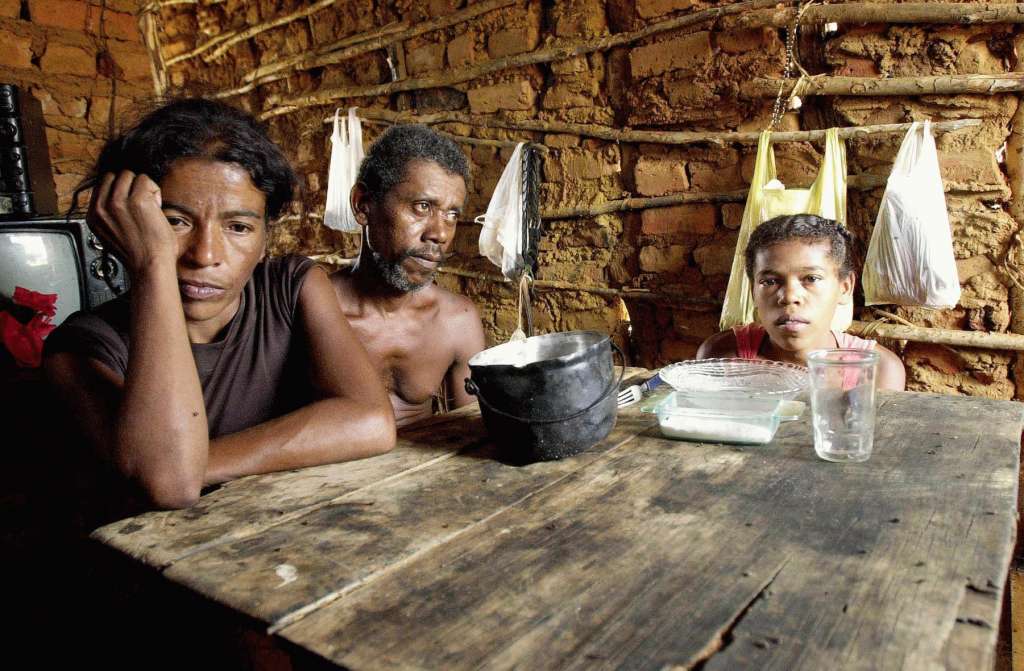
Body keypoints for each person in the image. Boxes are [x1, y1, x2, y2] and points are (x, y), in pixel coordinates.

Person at [43, 98, 396, 510]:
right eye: (174, 221)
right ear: (127, 223)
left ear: (266, 236)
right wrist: (152, 265)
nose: (205, 254)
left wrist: (196, 464)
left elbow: (371, 421)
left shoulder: (292, 288)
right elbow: (169, 484)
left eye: (238, 227)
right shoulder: (81, 348)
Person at [331, 124, 486, 427]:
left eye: (452, 214)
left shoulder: (457, 320)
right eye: (422, 207)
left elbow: (473, 434)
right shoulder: (313, 312)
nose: (439, 233)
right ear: (363, 205)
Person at [697, 213, 906, 391]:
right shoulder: (721, 357)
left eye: (811, 279)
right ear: (752, 290)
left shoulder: (878, 370)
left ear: (845, 287)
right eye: (770, 281)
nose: (789, 296)